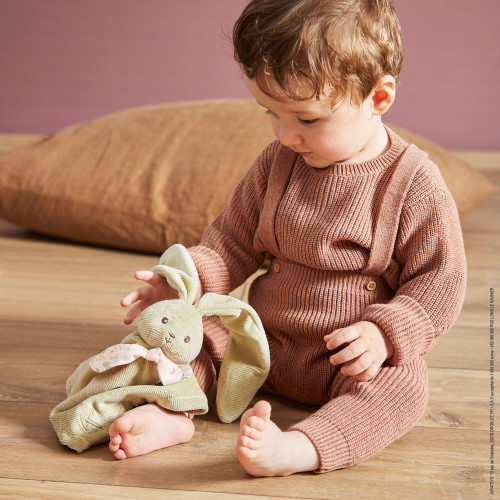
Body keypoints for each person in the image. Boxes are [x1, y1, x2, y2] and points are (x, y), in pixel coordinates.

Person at [108, 0, 467, 476]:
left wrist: (384, 335)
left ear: (378, 98)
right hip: (262, 341)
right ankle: (171, 411)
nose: (285, 135)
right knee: (194, 333)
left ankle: (301, 448)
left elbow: (439, 281)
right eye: (271, 113)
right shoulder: (276, 165)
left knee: (401, 386)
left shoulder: (414, 184)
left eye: (307, 119)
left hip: (349, 358)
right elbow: (231, 242)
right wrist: (184, 283)